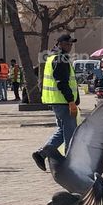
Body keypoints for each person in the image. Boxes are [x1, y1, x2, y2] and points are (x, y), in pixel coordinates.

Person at [32, 33, 79, 170]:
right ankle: (70, 163)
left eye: (71, 44)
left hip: (58, 101)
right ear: (59, 44)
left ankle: (41, 154)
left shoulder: (54, 57)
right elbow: (62, 82)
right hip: (63, 101)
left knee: (62, 130)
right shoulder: (60, 59)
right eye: (67, 43)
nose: (70, 46)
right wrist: (71, 101)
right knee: (70, 132)